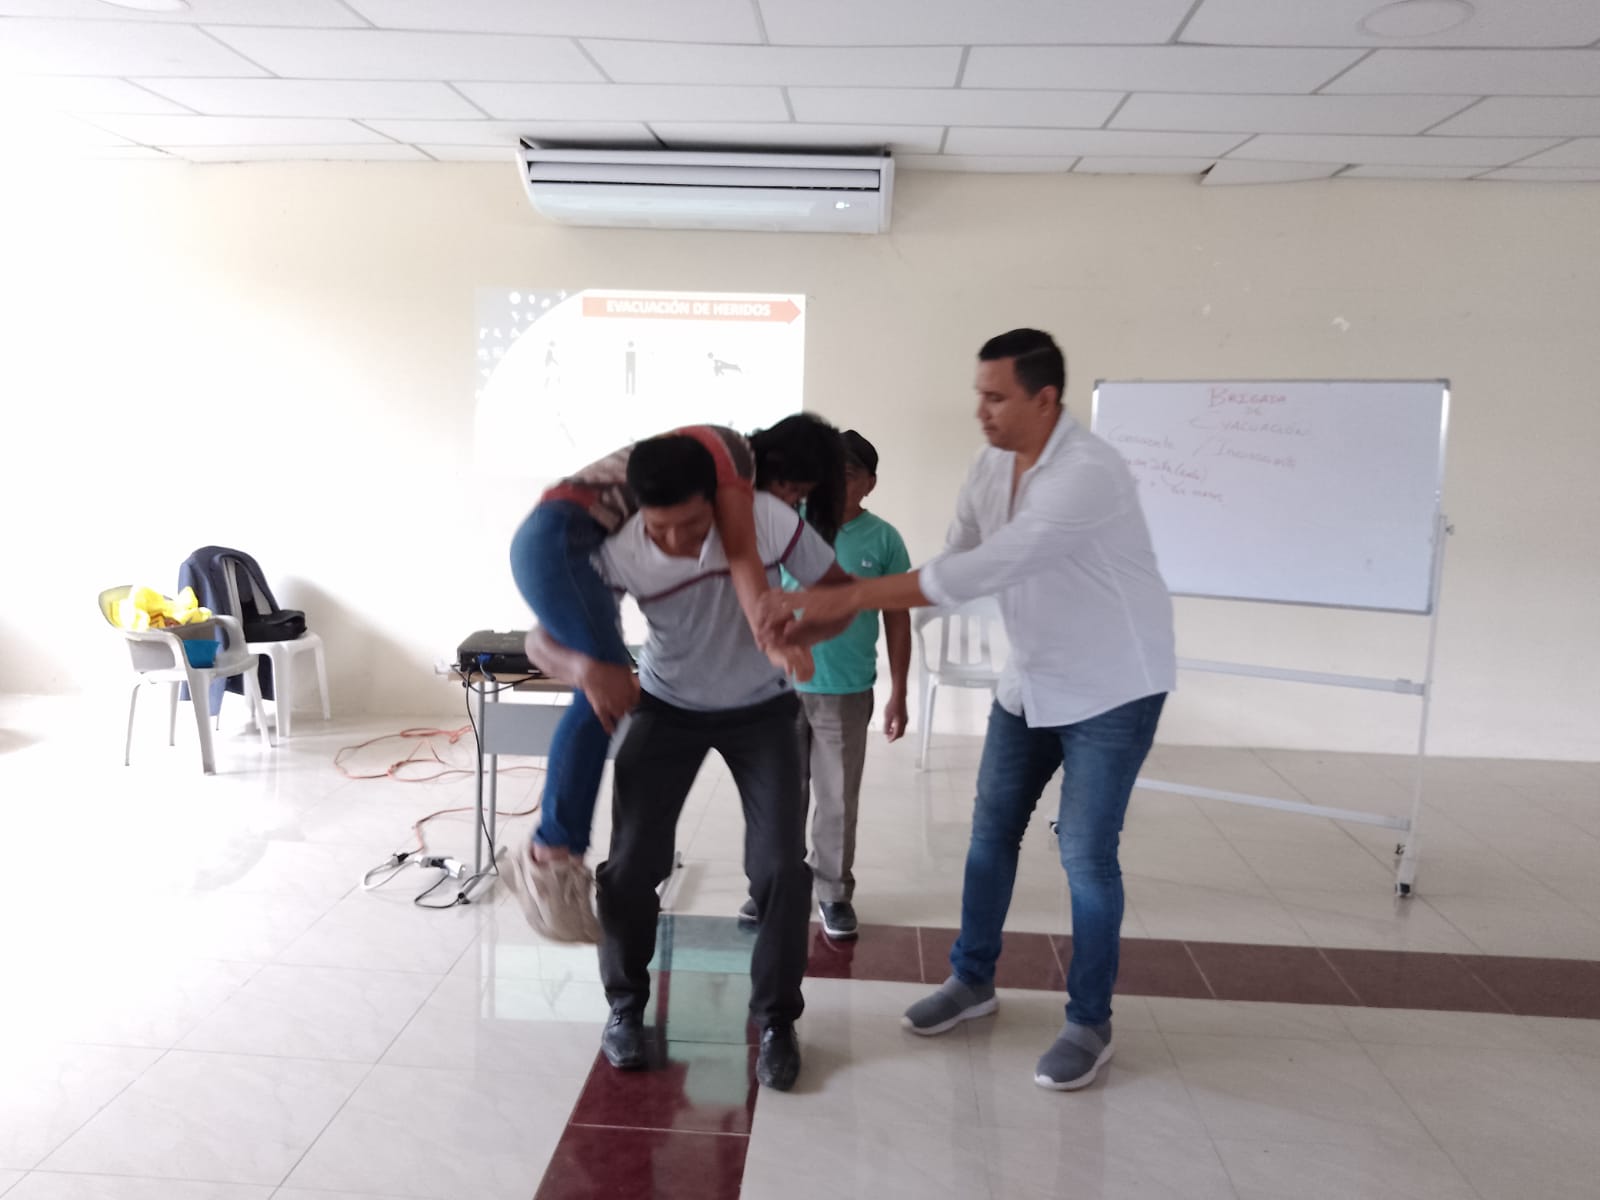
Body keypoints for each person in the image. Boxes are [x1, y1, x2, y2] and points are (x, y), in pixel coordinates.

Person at [766, 329, 1175, 1091]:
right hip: (1031, 679)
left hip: (1113, 687)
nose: (981, 411)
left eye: (996, 397)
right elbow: (952, 562)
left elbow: (988, 568)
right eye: (978, 395)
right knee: (990, 834)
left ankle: (1090, 1022)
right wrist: (821, 623)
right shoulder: (988, 467)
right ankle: (972, 979)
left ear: (1045, 399)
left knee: (1086, 854)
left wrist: (842, 598)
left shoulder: (1087, 473)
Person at [526, 433, 854, 1092]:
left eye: (694, 526)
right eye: (661, 529)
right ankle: (625, 1007)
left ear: (720, 501)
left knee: (781, 870)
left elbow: (842, 594)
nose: (676, 541)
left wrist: (802, 634)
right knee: (629, 868)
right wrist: (586, 669)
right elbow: (540, 642)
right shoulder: (618, 551)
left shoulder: (765, 520)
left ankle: (777, 1020)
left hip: (763, 711)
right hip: (665, 707)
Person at [738, 430, 911, 941]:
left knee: (836, 798)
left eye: (847, 474)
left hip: (846, 690)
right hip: (777, 688)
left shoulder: (884, 540)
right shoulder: (784, 527)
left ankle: (833, 892)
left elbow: (898, 618)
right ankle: (771, 885)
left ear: (869, 483)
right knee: (777, 794)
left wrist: (900, 692)